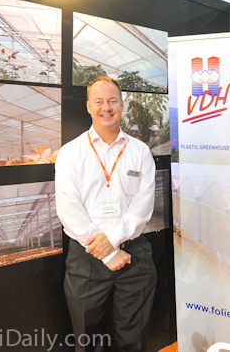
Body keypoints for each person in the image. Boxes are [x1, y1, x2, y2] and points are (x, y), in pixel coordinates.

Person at [55, 76, 157, 351]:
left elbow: (143, 205)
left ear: (122, 105)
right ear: (88, 106)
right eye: (99, 101)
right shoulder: (71, 153)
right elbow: (68, 208)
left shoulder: (140, 152)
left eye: (112, 101)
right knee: (88, 340)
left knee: (133, 339)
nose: (106, 108)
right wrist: (109, 253)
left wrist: (111, 241)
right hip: (86, 259)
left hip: (134, 256)